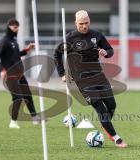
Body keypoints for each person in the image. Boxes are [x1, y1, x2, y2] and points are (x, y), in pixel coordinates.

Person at [54, 10, 127, 148]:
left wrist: (106, 53)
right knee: (101, 109)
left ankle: (105, 125)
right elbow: (57, 54)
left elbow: (110, 50)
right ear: (76, 23)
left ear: (89, 21)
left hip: (98, 76)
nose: (84, 26)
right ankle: (116, 138)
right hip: (82, 80)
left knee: (112, 105)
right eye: (81, 23)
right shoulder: (69, 38)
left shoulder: (96, 35)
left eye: (86, 23)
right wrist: (62, 73)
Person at [0, 18, 40, 129]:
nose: (16, 29)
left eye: (17, 27)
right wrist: (2, 70)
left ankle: (35, 119)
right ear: (9, 27)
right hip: (11, 76)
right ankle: (13, 122)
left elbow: (16, 55)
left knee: (28, 95)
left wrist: (27, 50)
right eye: (14, 27)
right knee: (18, 98)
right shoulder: (4, 41)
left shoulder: (14, 41)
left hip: (20, 75)